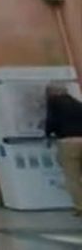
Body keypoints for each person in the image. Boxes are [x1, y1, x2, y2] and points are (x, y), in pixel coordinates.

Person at [45, 81, 82, 214]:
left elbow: (51, 121)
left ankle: (80, 206)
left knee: (72, 176)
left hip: (68, 142)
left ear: (52, 93)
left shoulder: (54, 103)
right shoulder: (77, 103)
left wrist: (48, 134)